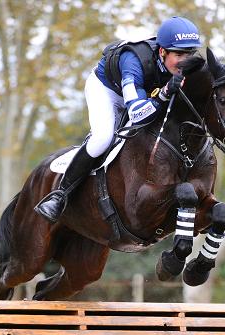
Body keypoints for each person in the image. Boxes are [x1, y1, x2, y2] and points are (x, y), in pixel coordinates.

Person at [34, 16, 202, 223]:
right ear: (162, 51)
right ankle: (60, 195)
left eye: (190, 54)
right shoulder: (134, 60)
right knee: (103, 138)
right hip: (108, 91)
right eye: (179, 54)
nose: (185, 61)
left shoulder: (180, 65)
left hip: (144, 94)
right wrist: (164, 94)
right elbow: (136, 114)